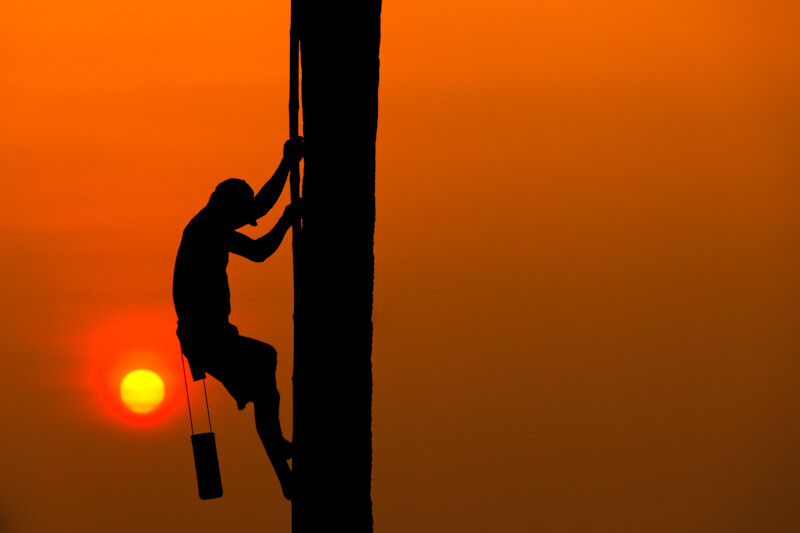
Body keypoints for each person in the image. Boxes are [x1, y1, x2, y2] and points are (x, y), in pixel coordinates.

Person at [173, 138, 303, 501]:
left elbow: (257, 205)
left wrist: (286, 164)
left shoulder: (208, 223)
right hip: (204, 336)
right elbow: (260, 250)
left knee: (266, 387)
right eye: (242, 216)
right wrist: (286, 220)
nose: (246, 220)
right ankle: (281, 460)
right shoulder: (208, 230)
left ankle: (284, 473)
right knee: (266, 360)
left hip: (207, 335)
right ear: (229, 209)